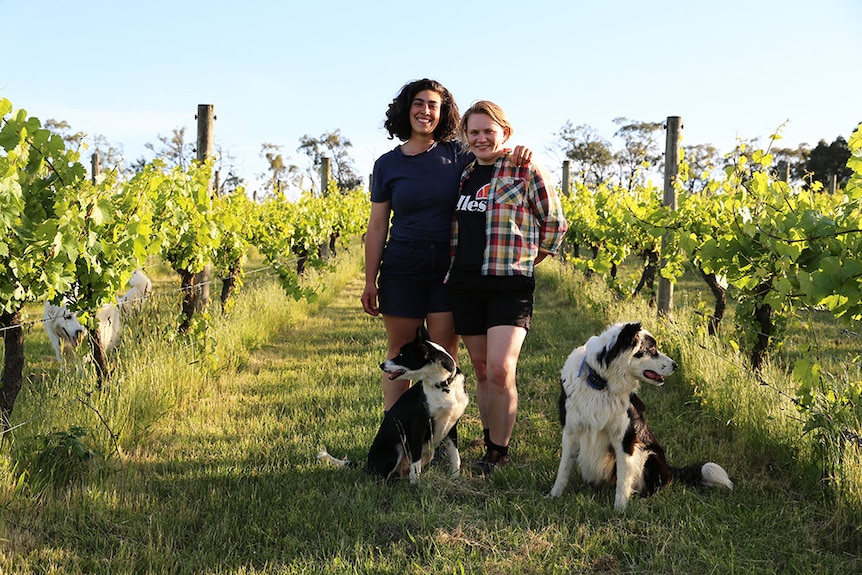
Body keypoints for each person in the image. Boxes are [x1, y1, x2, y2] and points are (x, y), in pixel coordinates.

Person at [361, 80, 530, 413]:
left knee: (443, 356)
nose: (425, 111)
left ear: (443, 112)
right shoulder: (387, 165)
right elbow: (378, 225)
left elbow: (491, 148)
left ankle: (439, 435)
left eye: (433, 105)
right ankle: (396, 432)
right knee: (400, 354)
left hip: (449, 268)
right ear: (406, 108)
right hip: (402, 267)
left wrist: (520, 150)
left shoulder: (457, 154)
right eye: (419, 103)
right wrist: (370, 280)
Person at [446, 100, 568, 476]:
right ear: (466, 136)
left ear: (505, 133)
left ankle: (499, 451)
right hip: (465, 283)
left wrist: (530, 260)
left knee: (501, 369)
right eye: (474, 132)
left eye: (489, 131)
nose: (482, 138)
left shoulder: (524, 169)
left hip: (509, 285)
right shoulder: (464, 175)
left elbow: (555, 223)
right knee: (481, 370)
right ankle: (488, 440)